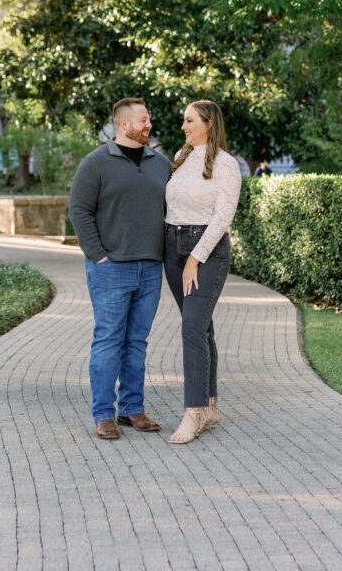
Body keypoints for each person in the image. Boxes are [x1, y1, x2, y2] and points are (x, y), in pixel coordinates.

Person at [69, 98, 172, 440]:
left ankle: (132, 410)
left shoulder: (160, 163)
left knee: (137, 341)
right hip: (111, 268)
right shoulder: (95, 163)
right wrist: (98, 255)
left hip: (150, 268)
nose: (149, 125)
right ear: (124, 125)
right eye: (144, 119)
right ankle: (103, 414)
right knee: (109, 340)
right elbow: (80, 212)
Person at [164, 100, 242, 444]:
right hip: (172, 247)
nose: (183, 126)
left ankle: (193, 412)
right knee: (202, 328)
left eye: (189, 120)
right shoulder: (181, 159)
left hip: (205, 252)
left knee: (191, 328)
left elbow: (223, 217)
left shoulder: (227, 165)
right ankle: (210, 406)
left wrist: (196, 257)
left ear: (208, 123)